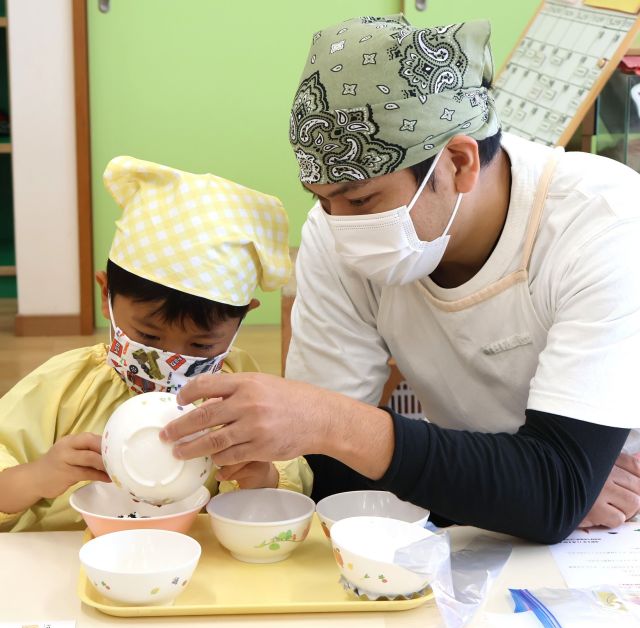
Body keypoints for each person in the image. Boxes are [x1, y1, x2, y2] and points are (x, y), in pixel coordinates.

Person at [159, 16, 640, 544]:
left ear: (458, 162)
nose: (341, 225)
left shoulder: (602, 223)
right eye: (322, 200)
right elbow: (333, 476)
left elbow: (552, 496)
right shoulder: (333, 232)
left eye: (361, 199)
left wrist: (335, 422)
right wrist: (521, 490)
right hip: (498, 524)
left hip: (619, 520)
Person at [0, 156, 312, 532]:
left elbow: (292, 476)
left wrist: (261, 478)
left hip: (202, 565)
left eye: (201, 343)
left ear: (243, 317)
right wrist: (38, 476)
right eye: (148, 336)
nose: (172, 359)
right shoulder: (65, 387)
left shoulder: (239, 387)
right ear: (106, 296)